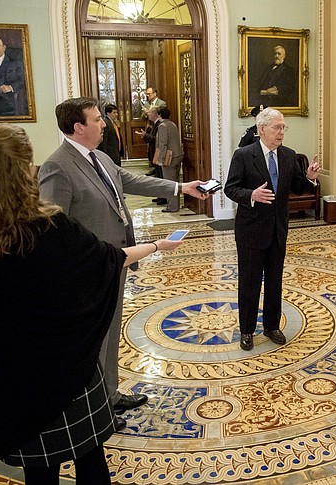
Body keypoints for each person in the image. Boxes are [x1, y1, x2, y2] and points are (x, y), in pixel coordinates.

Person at [0, 124, 183, 485]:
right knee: (90, 462)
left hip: (5, 378)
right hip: (65, 370)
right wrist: (158, 246)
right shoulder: (45, 224)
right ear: (24, 167)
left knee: (39, 471)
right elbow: (106, 260)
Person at [38, 97, 208, 430]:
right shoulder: (58, 166)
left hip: (113, 261)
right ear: (78, 127)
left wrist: (180, 185)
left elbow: (132, 182)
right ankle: (95, 408)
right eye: (97, 119)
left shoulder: (99, 157)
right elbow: (49, 228)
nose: (104, 124)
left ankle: (110, 394)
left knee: (111, 329)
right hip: (85, 269)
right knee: (94, 339)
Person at [224, 107, 320, 351]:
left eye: (283, 128)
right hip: (251, 230)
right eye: (276, 127)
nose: (281, 133)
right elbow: (231, 188)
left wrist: (309, 177)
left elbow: (297, 186)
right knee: (250, 282)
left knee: (275, 281)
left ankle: (271, 326)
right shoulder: (244, 155)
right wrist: (251, 194)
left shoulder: (288, 156)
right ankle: (247, 330)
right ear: (262, 129)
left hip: (278, 230)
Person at [152, 105, 183, 213]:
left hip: (169, 158)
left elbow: (163, 144)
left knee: (170, 183)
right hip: (178, 156)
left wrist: (161, 159)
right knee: (175, 182)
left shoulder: (162, 126)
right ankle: (176, 204)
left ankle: (172, 207)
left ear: (159, 115)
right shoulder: (172, 124)